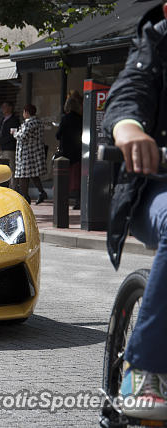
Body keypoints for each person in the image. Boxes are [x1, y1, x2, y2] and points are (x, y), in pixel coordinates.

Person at [102, 1, 167, 420]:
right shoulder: (155, 44)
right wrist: (128, 129)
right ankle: (144, 367)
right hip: (156, 187)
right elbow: (128, 95)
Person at [13, 104, 47, 204]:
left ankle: (26, 197)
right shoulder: (38, 122)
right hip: (35, 153)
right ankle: (41, 192)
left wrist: (15, 133)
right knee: (33, 175)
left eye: (24, 112)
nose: (23, 114)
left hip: (27, 154)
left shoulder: (30, 123)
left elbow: (22, 136)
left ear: (26, 112)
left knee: (23, 176)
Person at [56, 94, 83, 209]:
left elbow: (58, 135)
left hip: (66, 152)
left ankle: (63, 201)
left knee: (64, 178)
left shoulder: (65, 118)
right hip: (77, 151)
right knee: (77, 178)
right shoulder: (81, 119)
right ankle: (78, 201)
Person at [0, 101, 20, 188]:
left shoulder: (14, 120)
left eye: (5, 107)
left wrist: (0, 141)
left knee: (11, 169)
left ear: (10, 108)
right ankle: (4, 187)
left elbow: (12, 135)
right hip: (2, 148)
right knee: (3, 169)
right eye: (2, 107)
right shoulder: (3, 119)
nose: (3, 109)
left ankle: (13, 187)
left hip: (9, 148)